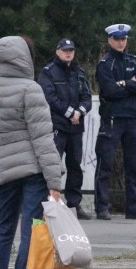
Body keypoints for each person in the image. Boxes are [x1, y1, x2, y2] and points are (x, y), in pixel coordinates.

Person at [0, 35, 65, 269]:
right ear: (24, 57)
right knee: (31, 230)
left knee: (3, 229)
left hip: (4, 172)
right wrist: (54, 181)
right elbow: (43, 139)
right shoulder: (31, 89)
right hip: (33, 171)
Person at [93, 23, 136, 220]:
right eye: (117, 39)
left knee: (133, 165)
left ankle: (133, 207)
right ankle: (102, 207)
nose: (120, 42)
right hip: (112, 118)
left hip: (131, 118)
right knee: (105, 163)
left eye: (123, 39)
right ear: (110, 40)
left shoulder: (134, 60)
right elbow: (109, 91)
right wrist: (130, 84)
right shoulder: (105, 64)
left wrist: (124, 83)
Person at [37, 38, 93, 220]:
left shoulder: (79, 72)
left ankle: (74, 204)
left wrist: (79, 112)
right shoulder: (48, 72)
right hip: (57, 125)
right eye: (65, 50)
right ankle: (48, 204)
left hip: (76, 127)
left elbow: (87, 97)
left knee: (75, 165)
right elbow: (49, 97)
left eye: (71, 50)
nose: (68, 53)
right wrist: (70, 113)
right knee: (53, 165)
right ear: (57, 51)